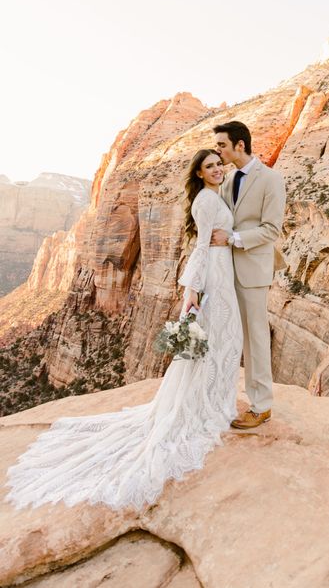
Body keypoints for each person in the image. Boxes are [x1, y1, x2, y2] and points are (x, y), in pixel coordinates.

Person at [5, 149, 243, 511]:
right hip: (214, 275)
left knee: (223, 341)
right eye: (208, 166)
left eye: (217, 164)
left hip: (224, 273)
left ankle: (213, 403)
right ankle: (206, 408)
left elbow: (219, 238)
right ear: (198, 172)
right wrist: (191, 293)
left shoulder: (215, 195)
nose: (215, 170)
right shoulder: (206, 202)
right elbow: (199, 249)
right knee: (213, 342)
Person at [212, 121, 286, 429]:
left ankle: (262, 405)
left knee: (255, 338)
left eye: (222, 146)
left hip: (253, 269)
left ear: (240, 145)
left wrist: (232, 239)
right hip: (227, 269)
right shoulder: (228, 180)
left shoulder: (271, 179)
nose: (218, 151)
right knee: (232, 336)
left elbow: (271, 229)